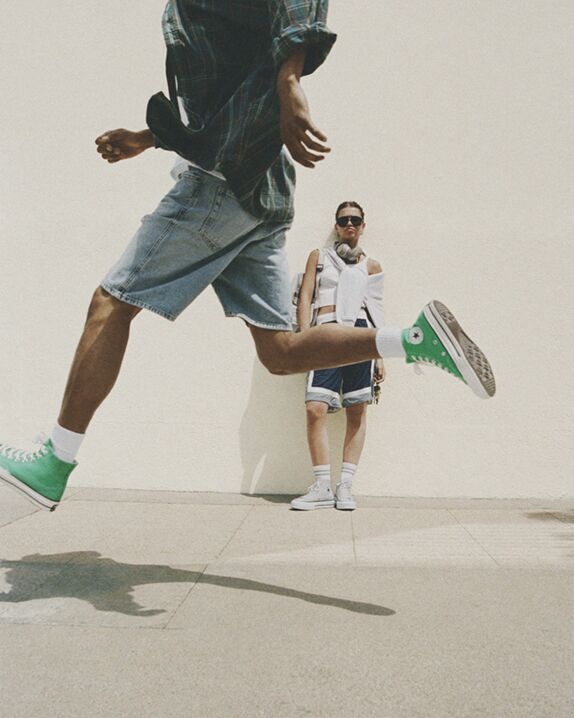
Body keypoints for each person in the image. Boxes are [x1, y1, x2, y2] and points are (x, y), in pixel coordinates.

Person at [0, 0, 495, 512]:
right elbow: (224, 95)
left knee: (112, 303)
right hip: (260, 185)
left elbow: (295, 10)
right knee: (280, 352)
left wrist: (290, 79)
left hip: (221, 183)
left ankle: (55, 460)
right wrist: (149, 138)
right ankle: (413, 339)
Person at [291, 201, 384, 511]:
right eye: (344, 220)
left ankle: (345, 485)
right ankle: (321, 486)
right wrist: (304, 338)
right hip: (325, 334)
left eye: (355, 220)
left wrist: (380, 356)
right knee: (315, 407)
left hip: (360, 337)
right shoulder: (319, 257)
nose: (349, 225)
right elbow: (306, 297)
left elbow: (376, 310)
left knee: (356, 409)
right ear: (336, 225)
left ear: (363, 225)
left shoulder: (371, 266)